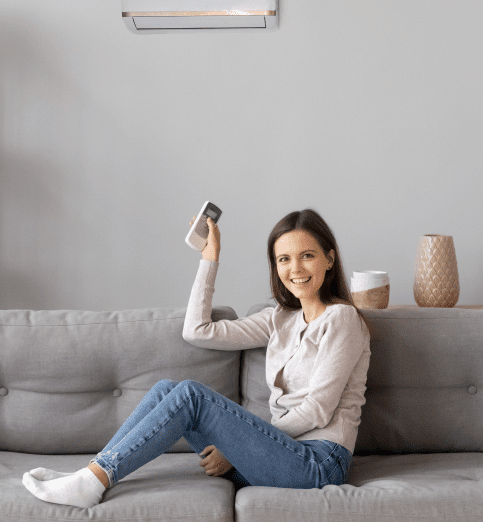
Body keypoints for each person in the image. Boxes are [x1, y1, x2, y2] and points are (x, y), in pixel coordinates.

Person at [22, 209, 371, 508]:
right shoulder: (279, 319)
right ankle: (92, 474)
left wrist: (236, 449)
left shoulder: (341, 319)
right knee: (166, 390)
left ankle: (93, 480)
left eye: (307, 255)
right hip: (275, 456)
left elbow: (318, 410)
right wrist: (209, 258)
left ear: (329, 258)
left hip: (317, 463)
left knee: (190, 395)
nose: (295, 268)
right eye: (284, 259)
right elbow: (197, 330)